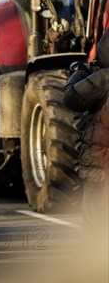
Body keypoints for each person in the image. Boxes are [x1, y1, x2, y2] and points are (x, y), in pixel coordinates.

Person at [63, 31, 109, 249]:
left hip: (100, 164)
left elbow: (72, 97)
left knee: (93, 227)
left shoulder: (104, 79)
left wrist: (81, 71)